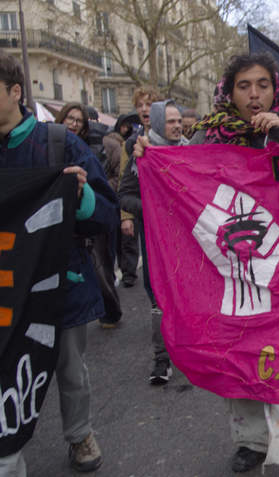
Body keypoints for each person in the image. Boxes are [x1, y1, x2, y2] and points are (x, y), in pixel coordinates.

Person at [134, 53, 279, 477]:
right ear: (229, 92)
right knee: (239, 355)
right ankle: (251, 440)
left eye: (262, 85)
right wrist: (147, 157)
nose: (254, 94)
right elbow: (177, 177)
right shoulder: (206, 135)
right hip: (229, 270)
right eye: (244, 86)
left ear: (275, 90)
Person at [0, 51, 118, 477]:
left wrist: (81, 194)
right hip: (5, 293)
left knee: (70, 369)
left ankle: (79, 434)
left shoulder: (58, 144)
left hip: (59, 287)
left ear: (15, 92)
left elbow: (106, 213)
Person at [119, 100, 187, 386]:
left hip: (188, 239)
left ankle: (191, 350)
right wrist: (151, 207)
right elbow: (124, 196)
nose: (177, 126)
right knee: (160, 296)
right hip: (156, 241)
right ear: (158, 123)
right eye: (170, 121)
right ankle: (161, 359)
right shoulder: (143, 154)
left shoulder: (190, 150)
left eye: (179, 121)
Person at [55, 104, 123, 330]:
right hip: (60, 227)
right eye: (70, 118)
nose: (73, 123)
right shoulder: (49, 145)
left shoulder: (96, 147)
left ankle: (110, 311)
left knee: (101, 265)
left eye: (78, 120)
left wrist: (86, 192)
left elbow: (116, 178)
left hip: (95, 215)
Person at [119, 86, 160, 289]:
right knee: (151, 269)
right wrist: (126, 217)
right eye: (140, 105)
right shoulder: (130, 144)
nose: (144, 109)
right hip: (146, 215)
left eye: (149, 104)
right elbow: (124, 181)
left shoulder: (170, 136)